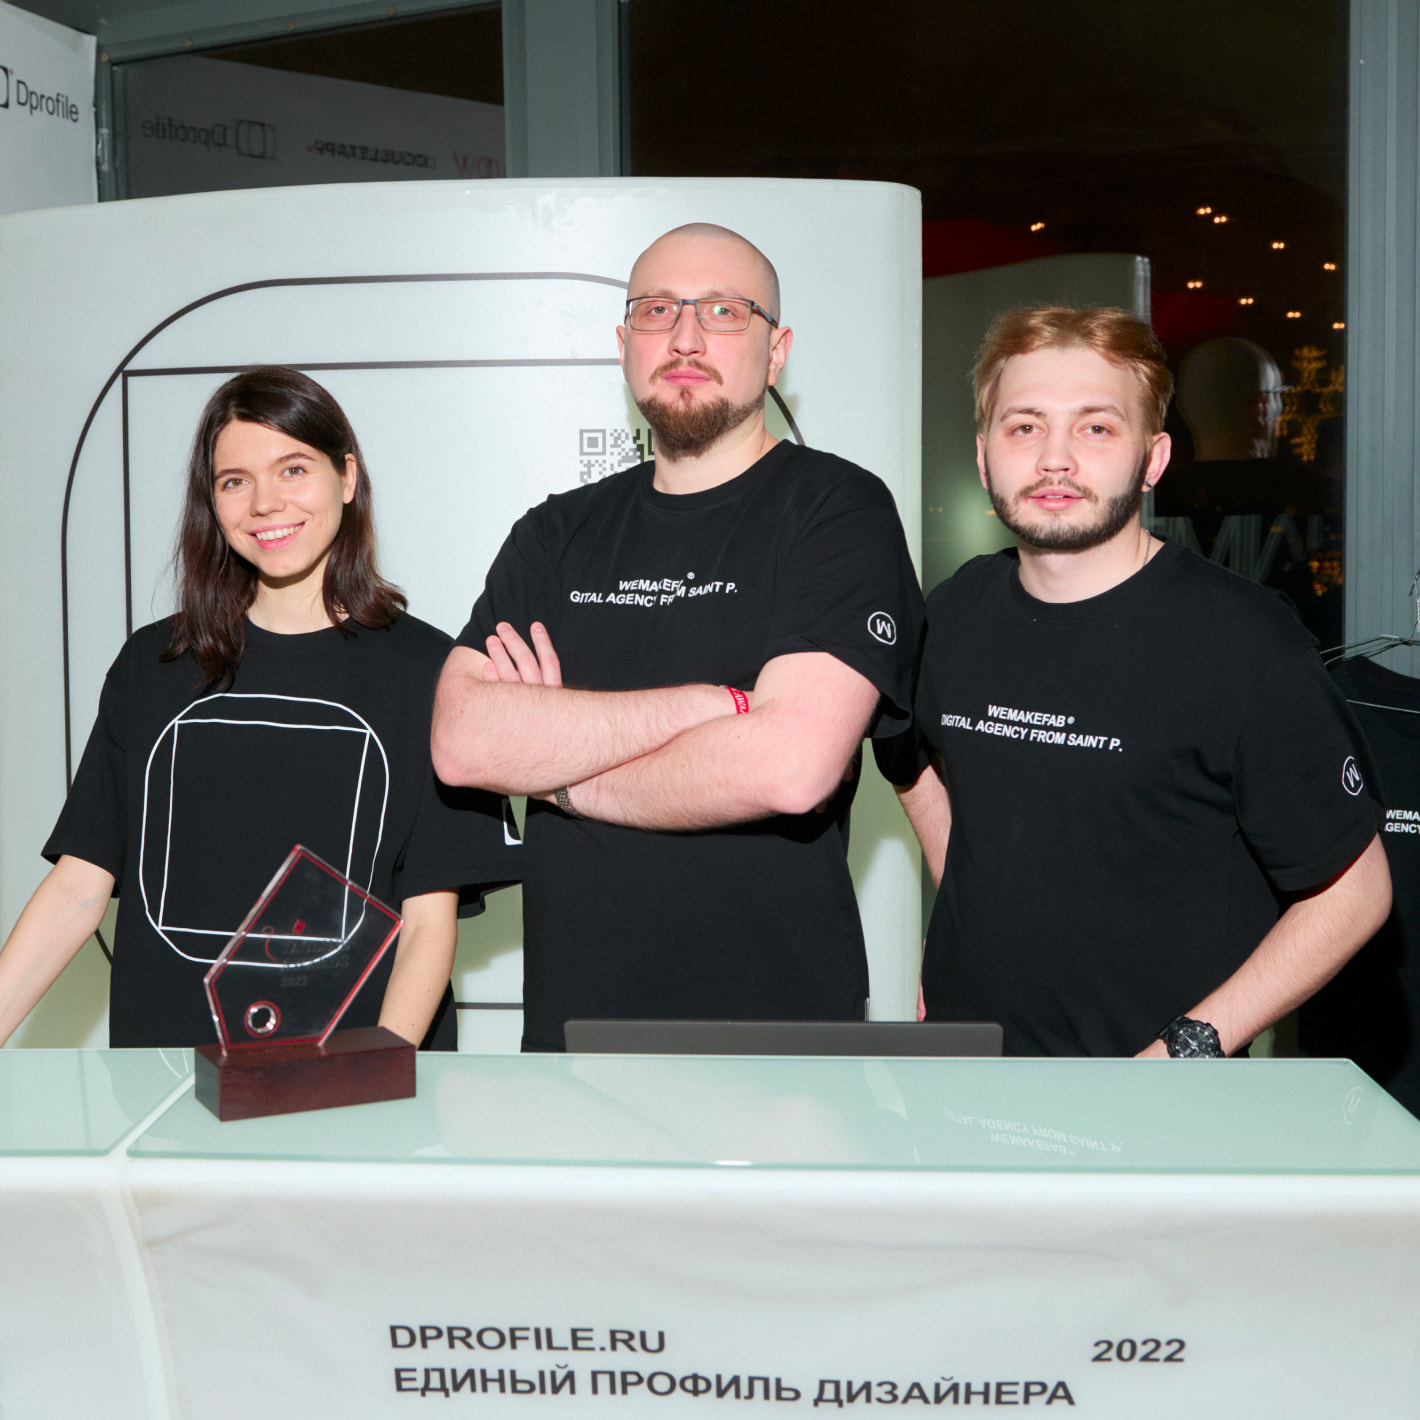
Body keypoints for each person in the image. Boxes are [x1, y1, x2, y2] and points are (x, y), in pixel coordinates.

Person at [432, 222, 923, 1052]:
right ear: (625, 344)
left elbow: (790, 768)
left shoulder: (837, 510)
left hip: (779, 1053)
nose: (686, 337)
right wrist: (709, 707)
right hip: (574, 1049)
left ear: (777, 352)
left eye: (725, 311)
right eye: (658, 310)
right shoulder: (554, 534)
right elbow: (462, 742)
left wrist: (558, 778)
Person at [876, 305, 1390, 1058]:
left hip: (1154, 1097)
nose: (1055, 460)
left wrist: (1184, 1049)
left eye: (1095, 428)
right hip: (967, 1071)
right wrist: (963, 922)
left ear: (1153, 459)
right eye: (1024, 426)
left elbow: (1355, 893)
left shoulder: (1245, 643)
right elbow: (907, 757)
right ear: (984, 458)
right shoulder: (954, 611)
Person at [0, 367, 519, 1050]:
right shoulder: (154, 665)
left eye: (293, 469)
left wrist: (376, 1071)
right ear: (211, 502)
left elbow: (428, 923)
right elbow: (78, 887)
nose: (265, 503)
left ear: (347, 478)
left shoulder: (429, 671)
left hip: (349, 1081)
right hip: (167, 1083)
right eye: (234, 481)